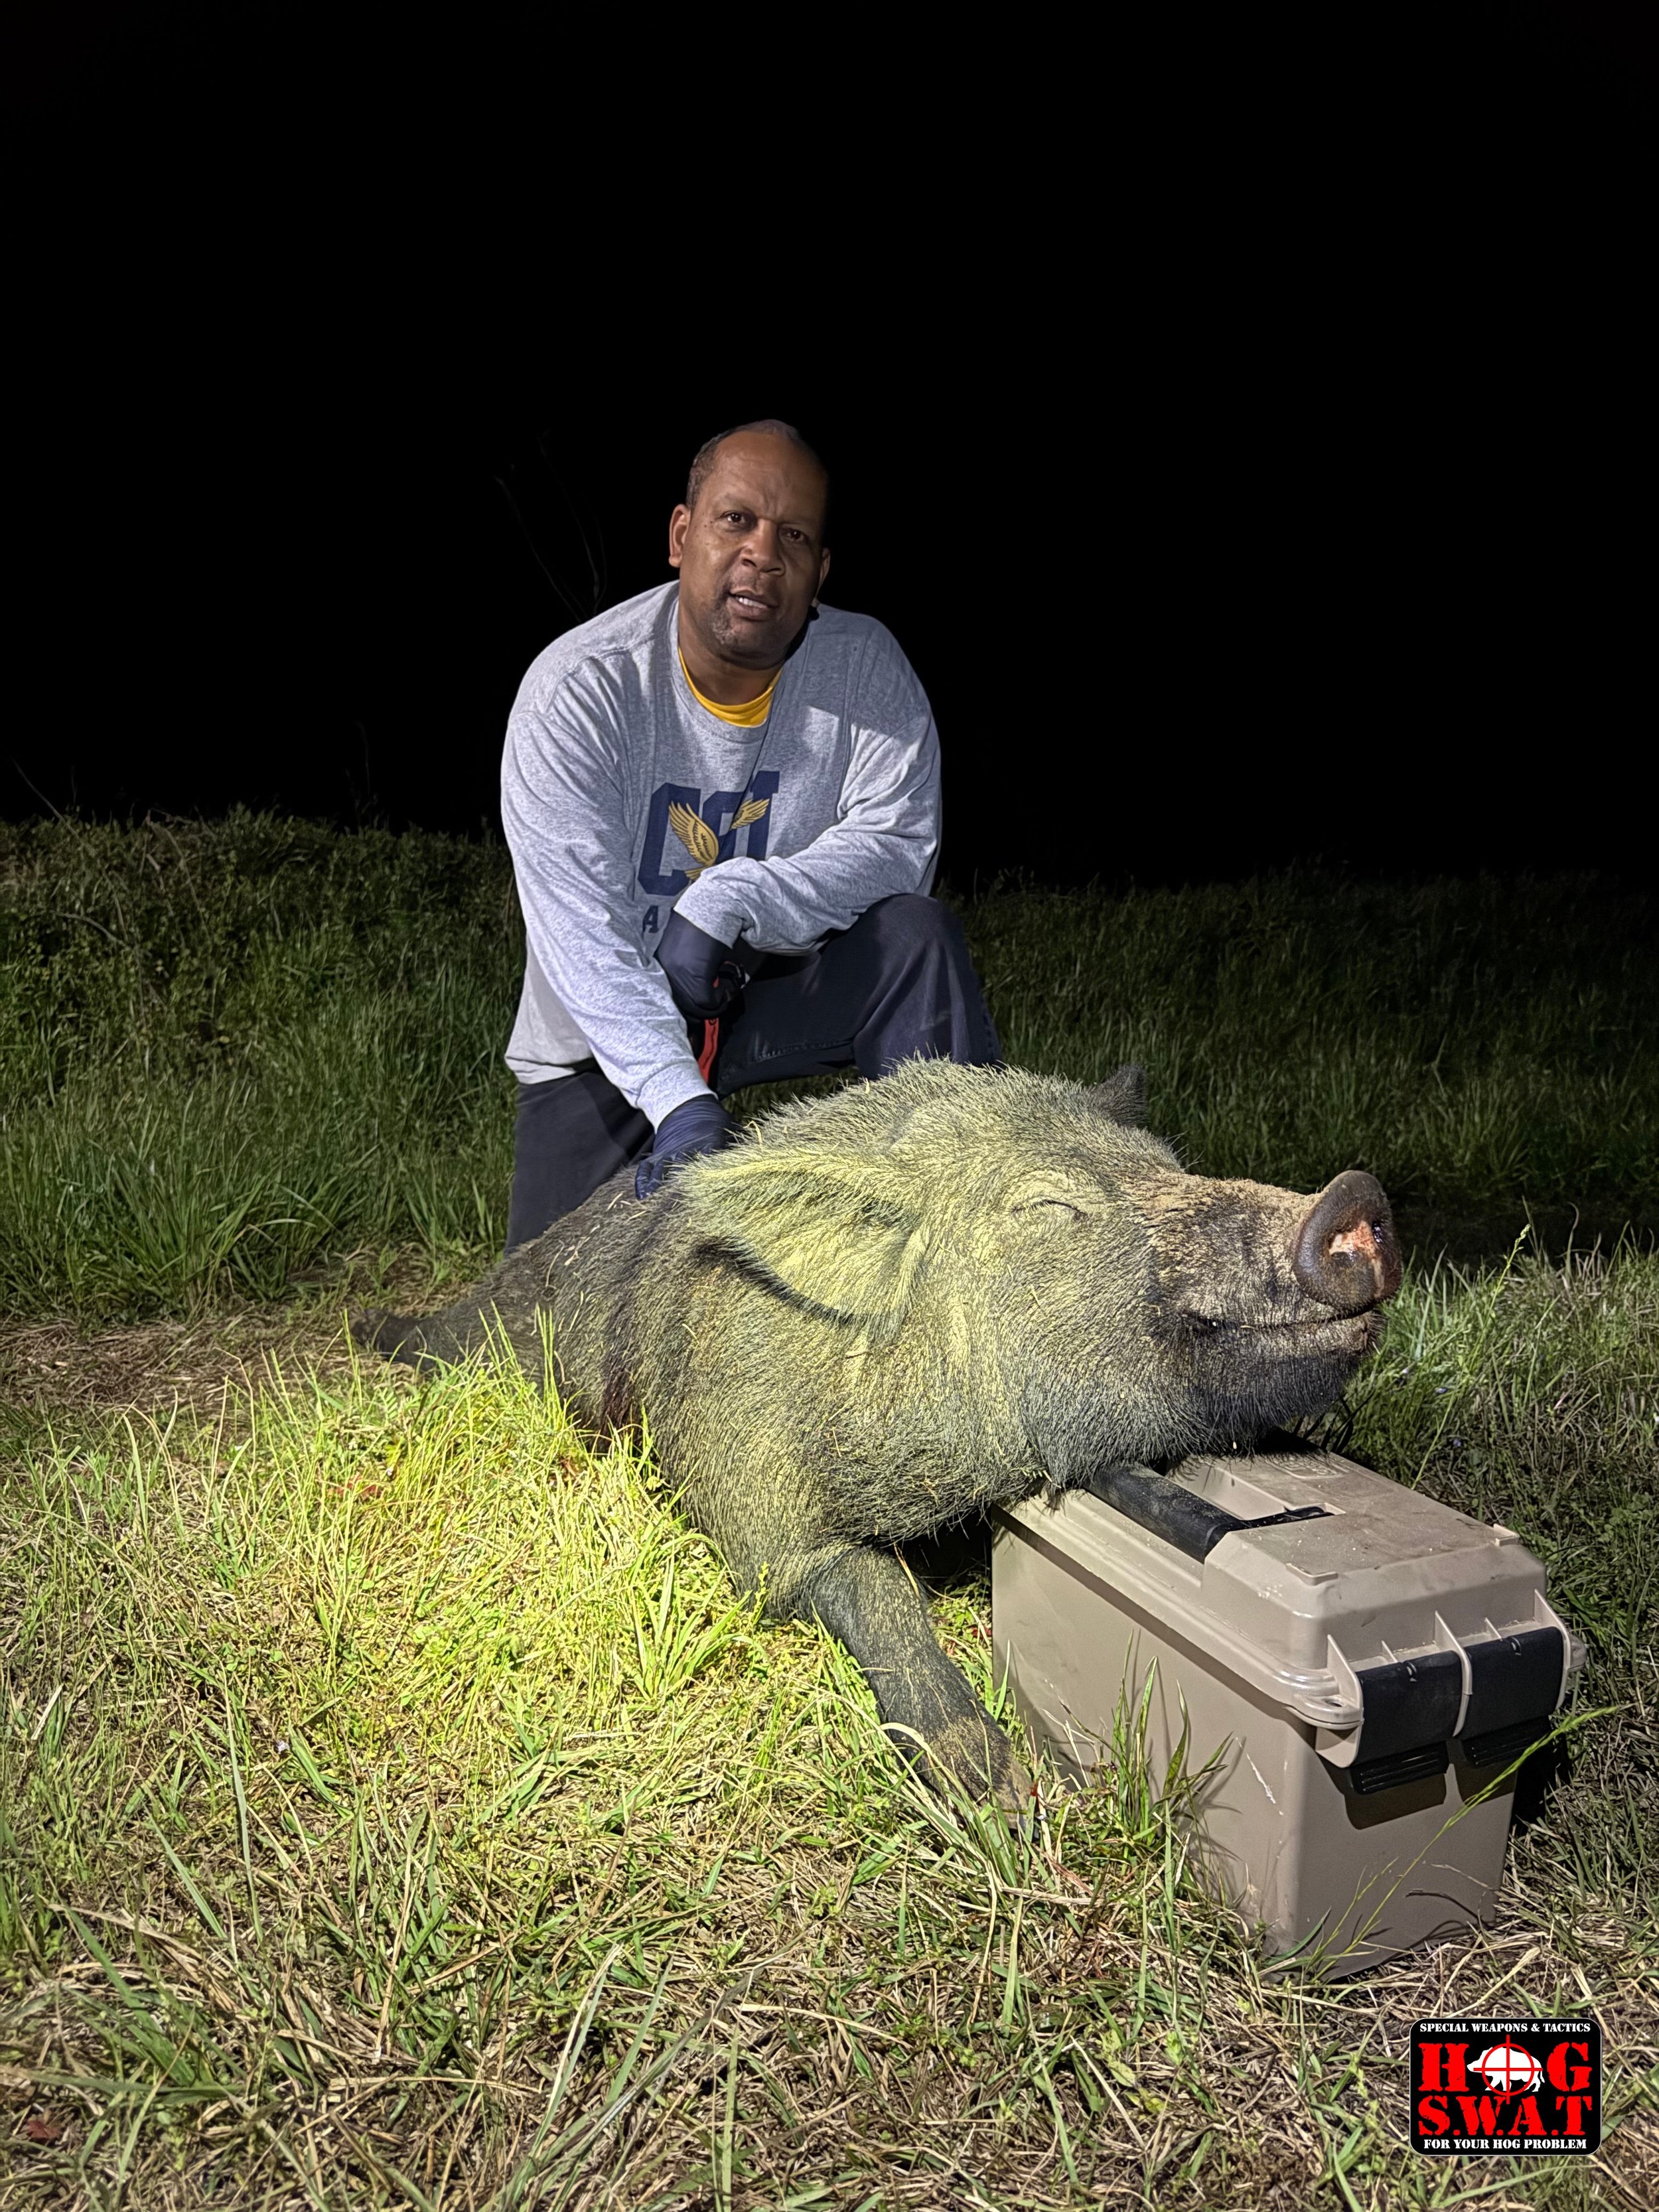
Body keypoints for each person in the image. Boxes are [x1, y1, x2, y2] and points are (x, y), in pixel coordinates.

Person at [499, 417, 1001, 1249]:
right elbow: (582, 939)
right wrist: (680, 1103)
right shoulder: (577, 694)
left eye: (794, 535)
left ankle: (965, 1235)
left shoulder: (865, 666)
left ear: (819, 573)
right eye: (737, 520)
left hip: (764, 989)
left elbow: (899, 842)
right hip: (607, 1028)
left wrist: (731, 898)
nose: (763, 553)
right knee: (547, 1339)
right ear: (680, 535)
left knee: (916, 937)